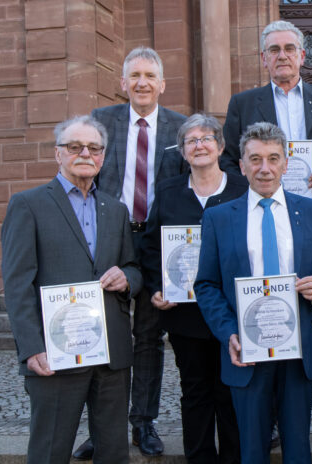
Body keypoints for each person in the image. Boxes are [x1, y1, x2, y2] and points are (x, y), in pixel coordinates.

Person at [220, 19, 312, 443]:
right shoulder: (243, 103)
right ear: (264, 58)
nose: (282, 55)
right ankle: (274, 417)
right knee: (266, 310)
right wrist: (262, 185)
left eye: (289, 48)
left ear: (302, 55)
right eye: (274, 49)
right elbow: (229, 162)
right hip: (265, 219)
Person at [193, 122, 312, 464]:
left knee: (298, 448)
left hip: (300, 345)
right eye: (255, 159)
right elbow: (206, 285)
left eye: (273, 158)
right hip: (248, 348)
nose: (265, 168)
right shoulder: (218, 218)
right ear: (241, 165)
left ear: (286, 163)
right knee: (252, 449)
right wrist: (228, 332)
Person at [0, 115, 142, 464]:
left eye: (94, 148)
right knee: (50, 451)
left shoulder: (116, 209)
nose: (85, 153)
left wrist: (126, 279)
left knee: (113, 453)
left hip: (110, 354)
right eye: (75, 146)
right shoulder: (28, 204)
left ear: (103, 157)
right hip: (55, 356)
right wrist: (31, 349)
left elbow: (134, 268)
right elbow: (17, 284)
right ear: (58, 154)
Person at [72, 46, 188, 459]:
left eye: (149, 76)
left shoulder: (181, 128)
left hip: (158, 245)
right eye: (134, 75)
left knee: (150, 336)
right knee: (102, 334)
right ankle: (103, 428)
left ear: (161, 84)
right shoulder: (101, 122)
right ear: (123, 83)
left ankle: (144, 422)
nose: (141, 83)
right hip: (109, 239)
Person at [140, 114, 246, 463]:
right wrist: (157, 287)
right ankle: (199, 457)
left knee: (231, 390)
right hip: (185, 313)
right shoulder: (169, 191)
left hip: (231, 312)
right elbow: (151, 245)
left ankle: (233, 457)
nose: (199, 145)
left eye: (207, 138)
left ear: (220, 146)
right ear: (183, 152)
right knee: (195, 390)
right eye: (191, 141)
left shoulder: (240, 189)